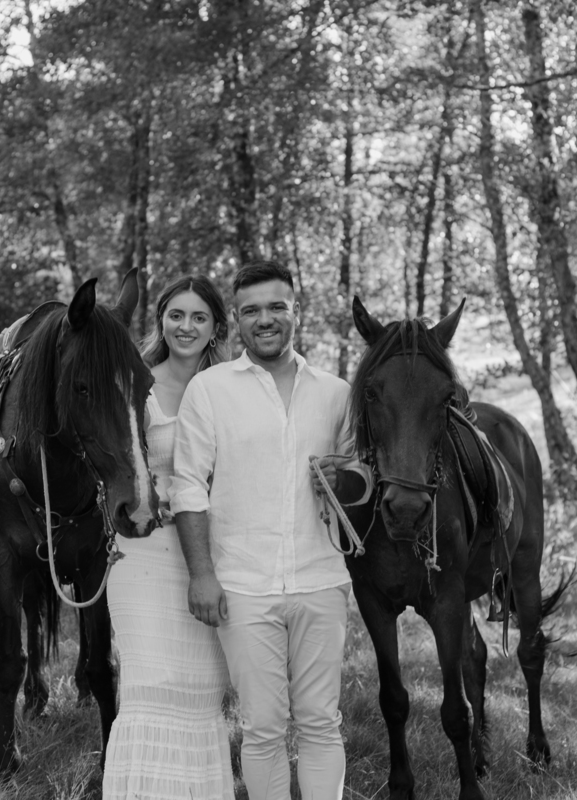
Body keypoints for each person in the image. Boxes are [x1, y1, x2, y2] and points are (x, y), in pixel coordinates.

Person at [169, 260, 370, 800]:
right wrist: (202, 575)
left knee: (322, 722)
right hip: (243, 584)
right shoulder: (209, 390)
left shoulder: (336, 392)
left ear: (296, 311)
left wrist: (347, 478)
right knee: (262, 728)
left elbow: (361, 478)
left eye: (277, 307)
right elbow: (188, 487)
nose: (265, 319)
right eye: (251, 310)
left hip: (321, 578)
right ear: (236, 319)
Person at [101, 275, 236, 800]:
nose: (186, 326)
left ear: (216, 326)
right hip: (145, 554)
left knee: (201, 692)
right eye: (176, 315)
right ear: (161, 321)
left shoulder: (230, 388)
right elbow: (111, 466)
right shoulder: (135, 386)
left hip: (210, 555)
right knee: (149, 685)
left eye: (199, 317)